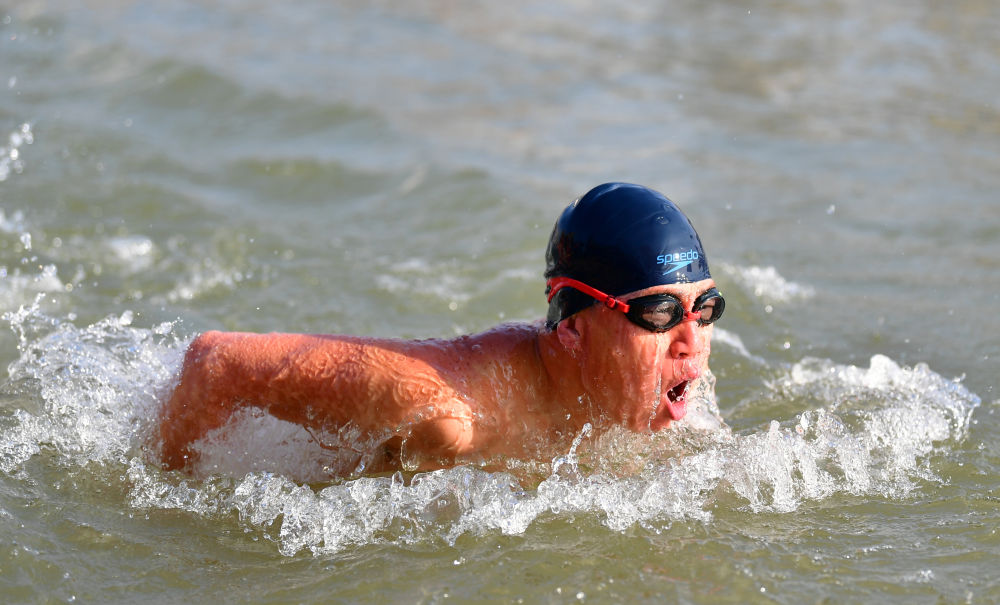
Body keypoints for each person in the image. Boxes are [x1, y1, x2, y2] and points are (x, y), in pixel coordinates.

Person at [157, 183, 726, 476]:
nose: (691, 341)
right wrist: (170, 507)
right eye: (659, 314)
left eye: (704, 308)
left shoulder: (651, 391)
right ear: (573, 329)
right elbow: (215, 362)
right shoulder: (445, 410)